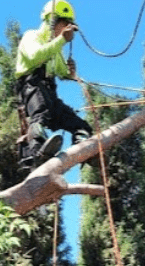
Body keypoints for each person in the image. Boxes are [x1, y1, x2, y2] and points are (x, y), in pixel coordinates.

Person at [15, 0, 95, 172]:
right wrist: (61, 41)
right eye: (65, 23)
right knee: (40, 113)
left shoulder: (56, 49)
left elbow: (61, 72)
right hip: (31, 85)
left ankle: (82, 147)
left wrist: (70, 73)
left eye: (70, 25)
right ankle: (37, 152)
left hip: (50, 92)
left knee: (78, 123)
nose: (67, 28)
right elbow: (35, 56)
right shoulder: (32, 36)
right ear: (52, 21)